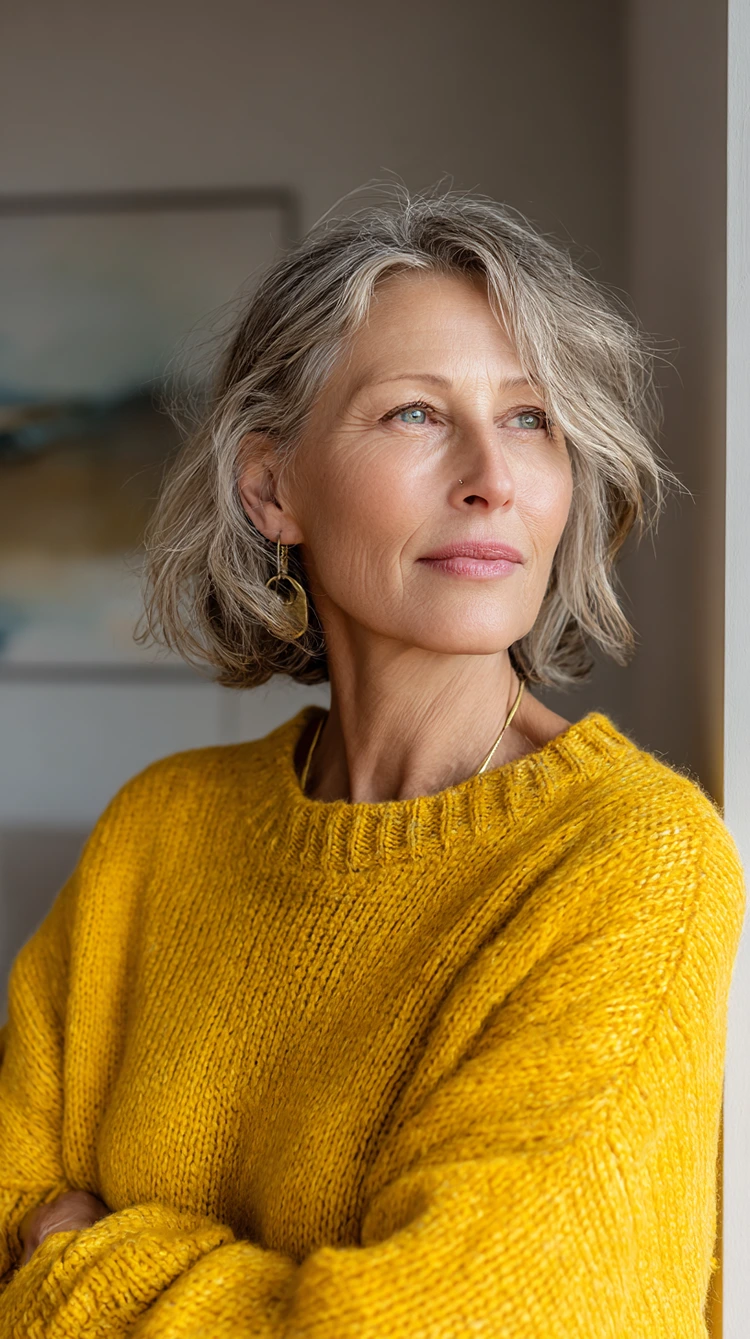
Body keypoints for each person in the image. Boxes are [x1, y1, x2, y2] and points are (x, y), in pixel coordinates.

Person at [0, 188, 744, 1338]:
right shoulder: (156, 834)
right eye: (413, 414)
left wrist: (90, 1263)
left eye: (533, 418)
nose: (492, 475)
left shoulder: (633, 862)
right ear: (272, 487)